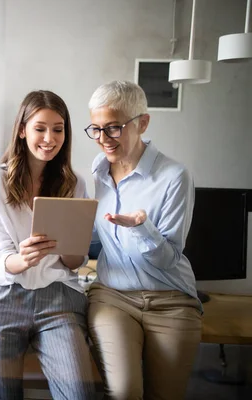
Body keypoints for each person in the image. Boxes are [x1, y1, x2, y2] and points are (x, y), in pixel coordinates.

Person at [0, 90, 96, 399]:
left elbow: (73, 261)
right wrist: (23, 259)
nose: (49, 138)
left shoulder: (74, 183)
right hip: (4, 295)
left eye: (58, 129)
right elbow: (1, 257)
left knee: (79, 395)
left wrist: (70, 250)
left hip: (58, 298)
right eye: (40, 128)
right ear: (22, 129)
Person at [85, 80, 201, 400]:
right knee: (124, 392)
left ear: (142, 122)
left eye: (113, 128)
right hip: (113, 296)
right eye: (95, 129)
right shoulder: (97, 173)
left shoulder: (174, 176)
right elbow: (95, 242)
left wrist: (141, 227)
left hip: (171, 300)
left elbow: (168, 259)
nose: (104, 140)